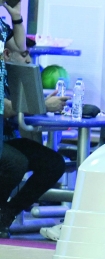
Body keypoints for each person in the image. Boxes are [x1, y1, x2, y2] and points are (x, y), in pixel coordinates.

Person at [0, 57, 68, 239]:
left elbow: (20, 117)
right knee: (15, 161)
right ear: (7, 52)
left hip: (5, 139)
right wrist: (42, 104)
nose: (28, 58)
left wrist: (39, 103)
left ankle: (6, 213)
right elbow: (5, 108)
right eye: (22, 54)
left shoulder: (10, 76)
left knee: (52, 163)